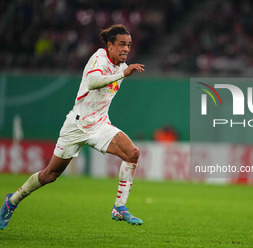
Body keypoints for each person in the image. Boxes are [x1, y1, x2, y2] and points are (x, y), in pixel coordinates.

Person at [0, 24, 145, 229]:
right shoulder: (100, 58)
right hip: (76, 125)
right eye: (122, 44)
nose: (126, 49)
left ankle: (119, 208)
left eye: (129, 45)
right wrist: (123, 74)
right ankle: (12, 201)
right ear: (110, 45)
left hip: (101, 125)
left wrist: (123, 72)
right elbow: (93, 82)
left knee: (133, 154)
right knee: (50, 175)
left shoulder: (122, 67)